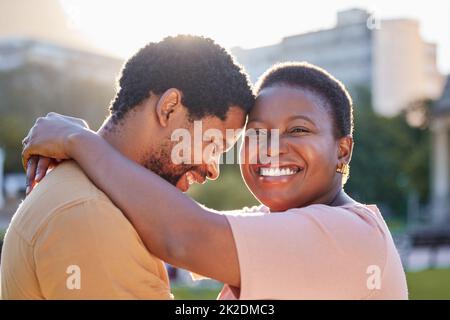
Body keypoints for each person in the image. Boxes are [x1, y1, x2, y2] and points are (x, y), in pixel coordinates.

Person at [20, 62, 408, 299]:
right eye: (257, 133)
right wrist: (93, 142)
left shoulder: (351, 236)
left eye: (299, 130)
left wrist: (80, 141)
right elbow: (168, 217)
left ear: (342, 150)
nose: (271, 148)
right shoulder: (281, 224)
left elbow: (184, 234)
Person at [0, 35, 254, 299]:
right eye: (212, 144)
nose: (213, 169)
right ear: (169, 108)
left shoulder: (93, 198)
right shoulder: (92, 215)